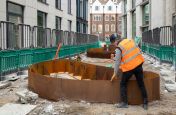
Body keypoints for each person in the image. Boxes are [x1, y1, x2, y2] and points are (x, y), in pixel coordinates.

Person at [110, 34, 148, 110]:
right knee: (141, 83)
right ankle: (145, 103)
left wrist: (115, 73)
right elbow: (137, 51)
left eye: (113, 43)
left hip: (129, 68)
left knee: (123, 84)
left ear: (115, 41)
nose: (114, 45)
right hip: (138, 65)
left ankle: (124, 103)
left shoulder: (119, 47)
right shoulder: (130, 40)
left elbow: (117, 62)